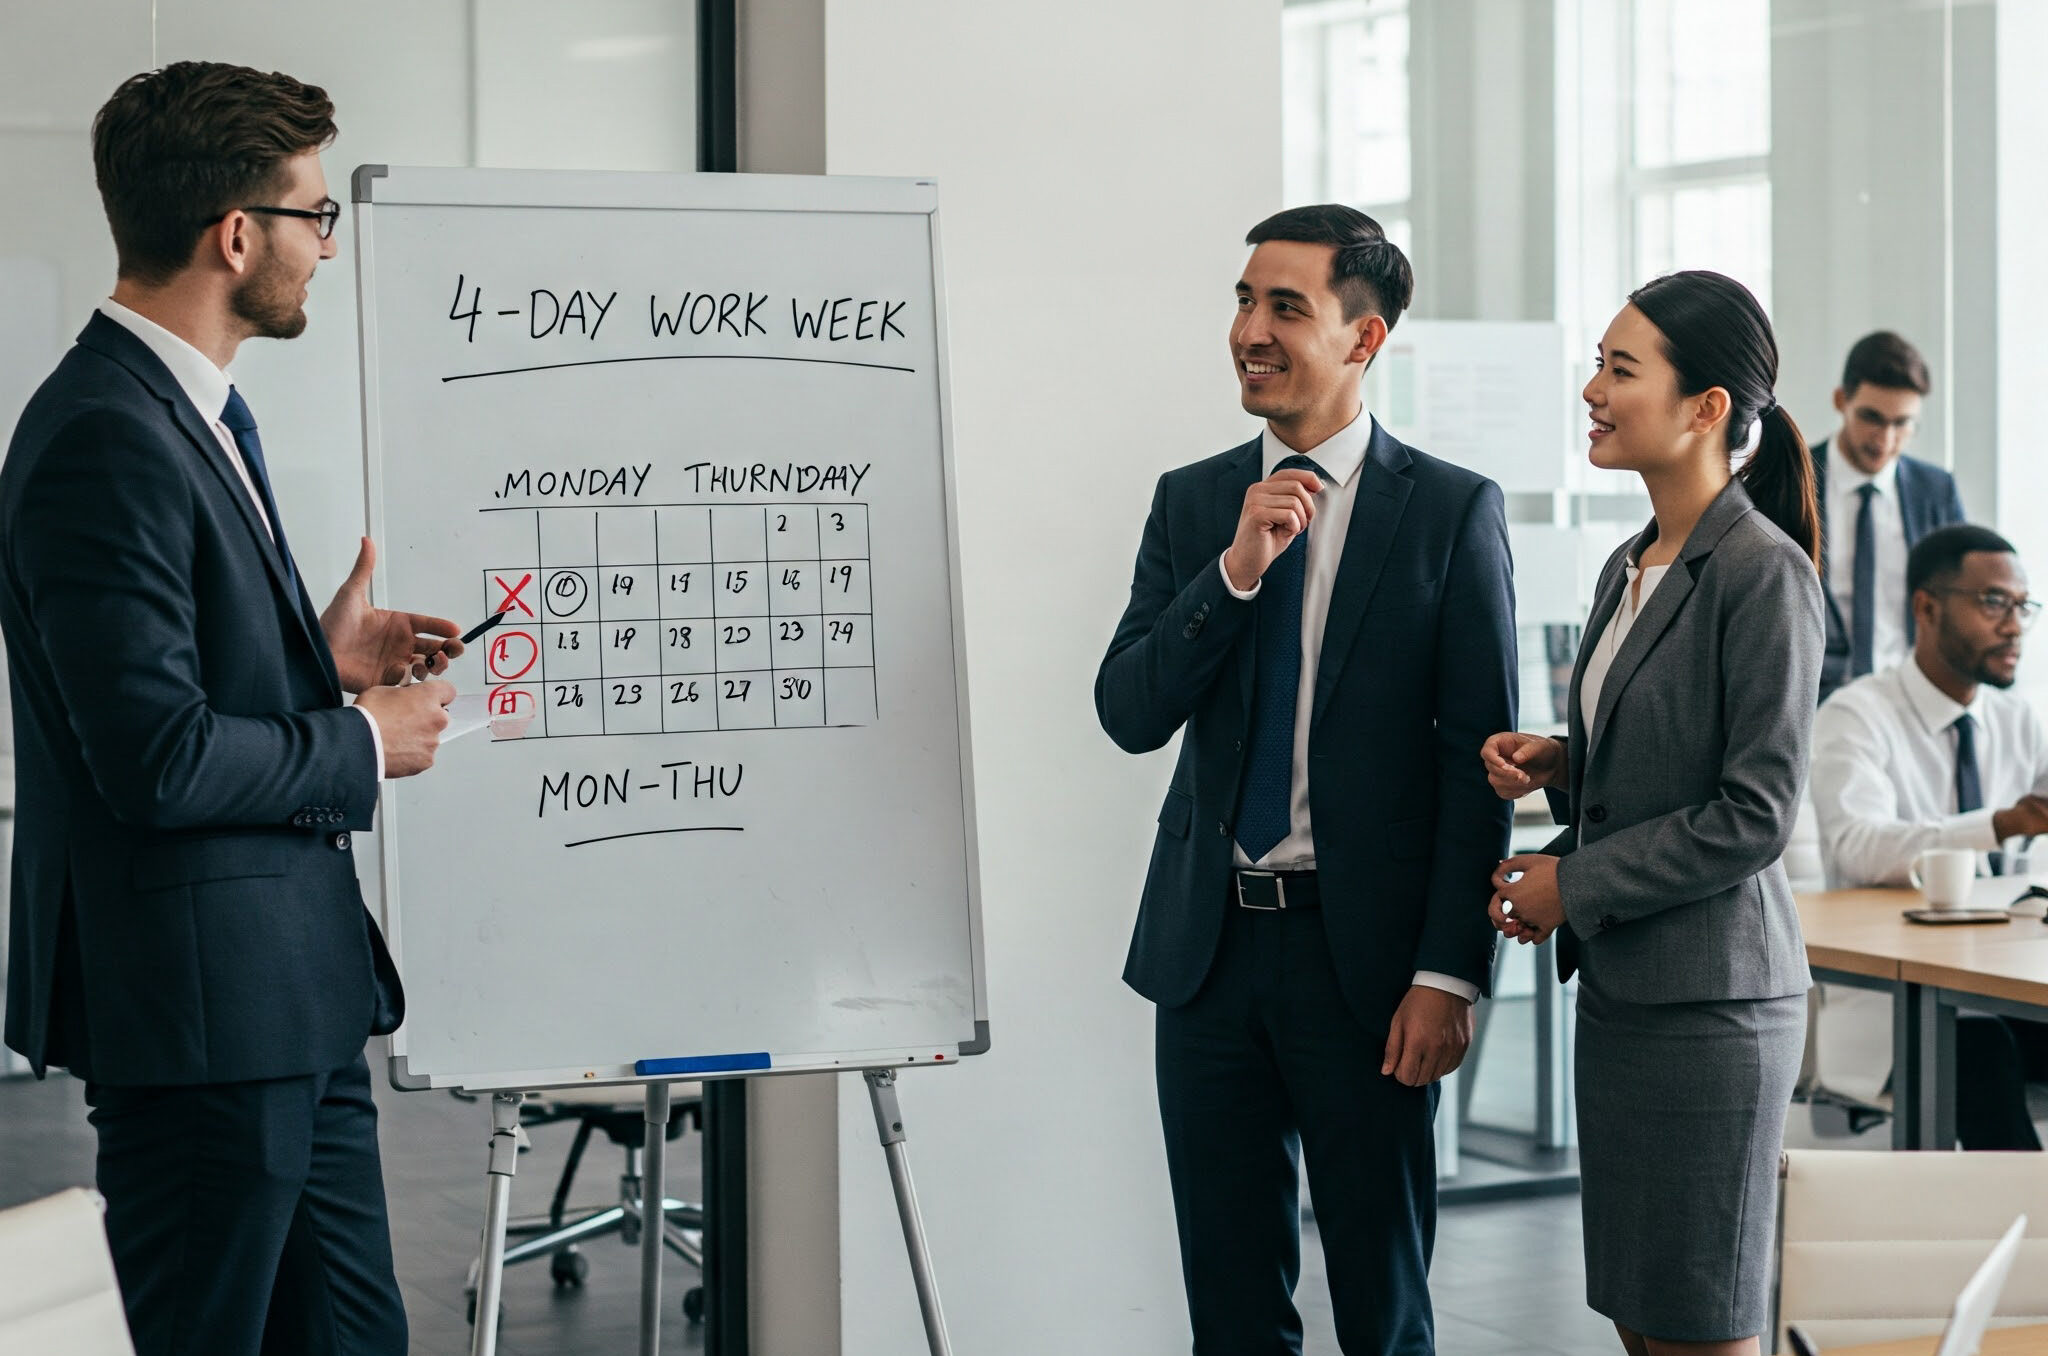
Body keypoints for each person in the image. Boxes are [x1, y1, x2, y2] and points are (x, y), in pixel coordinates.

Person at [0, 63, 463, 1356]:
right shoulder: (104, 435)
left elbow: (179, 694)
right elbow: (157, 760)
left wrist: (319, 661)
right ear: (238, 236)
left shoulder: (185, 412)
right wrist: (361, 740)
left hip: (287, 1005)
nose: (328, 246)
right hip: (203, 1023)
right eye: (316, 215)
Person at [1096, 204, 1516, 1354]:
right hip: (1206, 958)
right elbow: (1127, 711)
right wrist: (1232, 573)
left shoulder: (1448, 512)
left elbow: (1473, 764)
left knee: (1384, 1313)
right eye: (1243, 301)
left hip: (1366, 969)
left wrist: (1447, 973)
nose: (1250, 331)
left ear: (1363, 338)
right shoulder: (1194, 502)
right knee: (1229, 1315)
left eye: (1285, 307)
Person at [1481, 270, 1820, 1356]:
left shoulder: (1762, 571)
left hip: (1711, 1013)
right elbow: (1668, 761)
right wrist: (1564, 762)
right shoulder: (1630, 564)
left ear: (1705, 407)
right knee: (1641, 1318)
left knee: (1699, 1325)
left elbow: (1753, 813)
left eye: (1620, 370)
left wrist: (1570, 883)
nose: (1592, 390)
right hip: (1628, 997)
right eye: (1598, 364)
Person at [1810, 524, 2048, 1150]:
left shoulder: (2017, 720)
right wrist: (2001, 825)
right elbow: (1859, 846)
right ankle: (2019, 1212)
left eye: (2023, 606)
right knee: (1981, 1050)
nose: (2015, 626)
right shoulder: (1856, 715)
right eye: (1993, 603)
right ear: (1927, 607)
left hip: (2001, 982)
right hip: (1898, 999)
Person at [1812, 331, 1964, 702]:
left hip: (1909, 701)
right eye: (1872, 418)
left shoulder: (1937, 491)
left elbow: (1958, 597)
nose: (1885, 439)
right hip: (1816, 699)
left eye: (1902, 423)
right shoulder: (1791, 477)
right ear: (1841, 401)